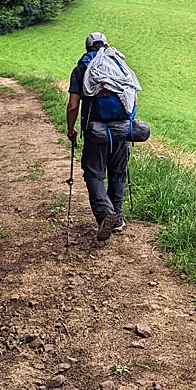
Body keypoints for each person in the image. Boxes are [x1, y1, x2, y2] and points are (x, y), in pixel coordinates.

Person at [66, 32, 132, 242]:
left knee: (94, 174)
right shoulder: (119, 65)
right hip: (122, 129)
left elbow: (73, 105)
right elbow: (132, 98)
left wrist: (71, 130)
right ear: (106, 45)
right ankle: (118, 219)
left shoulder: (81, 69)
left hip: (95, 131)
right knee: (118, 172)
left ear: (87, 49)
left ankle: (105, 214)